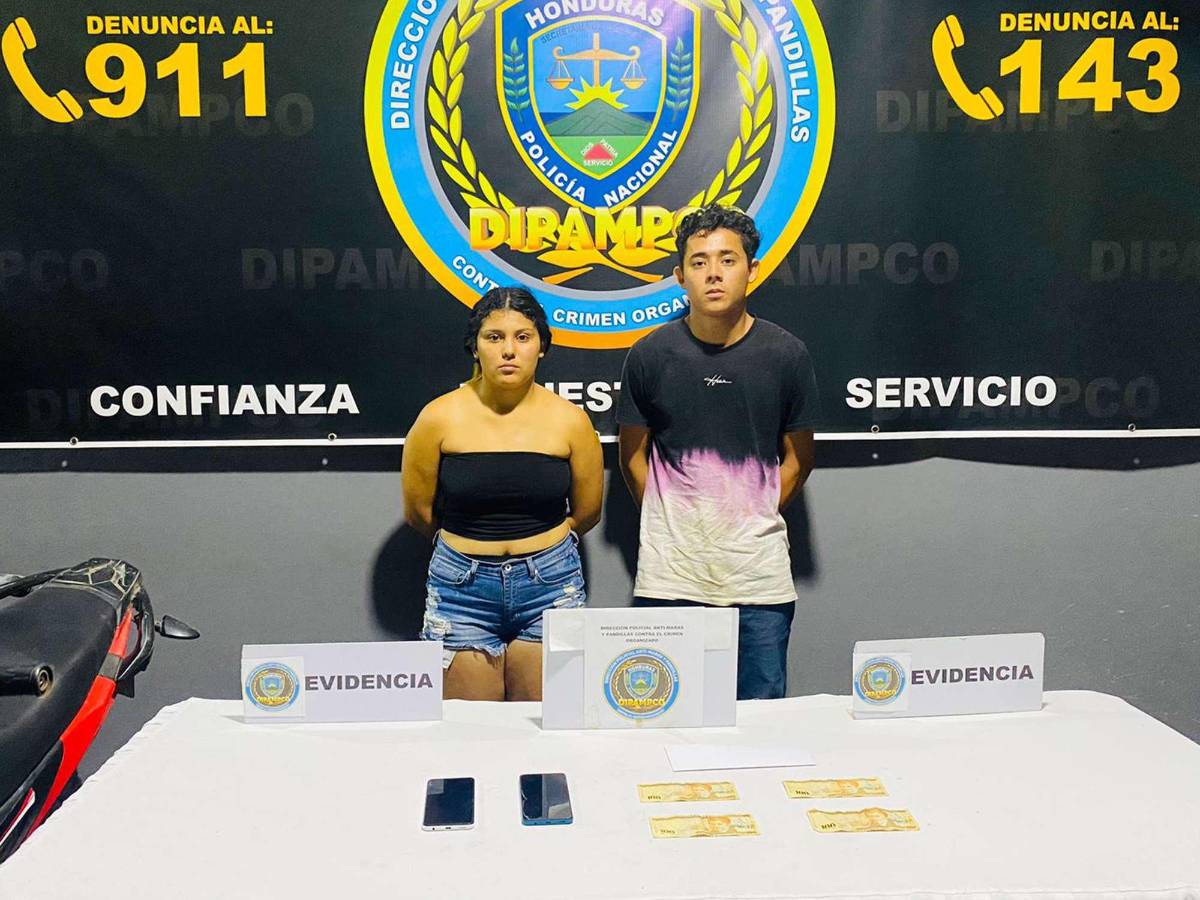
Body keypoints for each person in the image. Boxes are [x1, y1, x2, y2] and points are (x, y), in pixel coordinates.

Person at [616, 204, 820, 700]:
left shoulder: (787, 355)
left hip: (759, 581)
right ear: (679, 276)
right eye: (699, 261)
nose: (713, 273)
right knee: (667, 719)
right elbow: (631, 458)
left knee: (761, 722)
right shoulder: (649, 356)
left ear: (752, 270)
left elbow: (799, 459)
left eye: (728, 260)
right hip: (670, 579)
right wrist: (674, 517)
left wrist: (750, 511)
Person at [402, 286, 603, 701]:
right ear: (475, 347)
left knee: (547, 729)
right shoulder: (437, 418)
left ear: (541, 347)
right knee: (470, 731)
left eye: (522, 337)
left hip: (551, 586)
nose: (508, 350)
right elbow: (419, 513)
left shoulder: (571, 421)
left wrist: (542, 555)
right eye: (494, 337)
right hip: (461, 590)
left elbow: (587, 512)